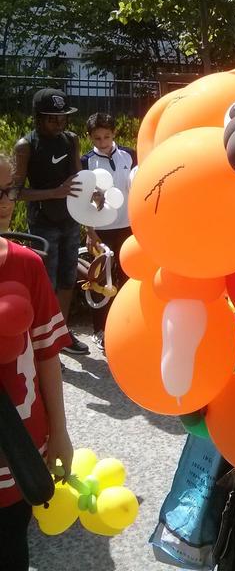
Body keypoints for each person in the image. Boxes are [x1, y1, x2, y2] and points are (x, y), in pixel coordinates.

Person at [0, 153, 73, 571]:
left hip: (20, 445)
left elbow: (46, 356)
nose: (5, 203)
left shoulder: (27, 265)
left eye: (7, 191)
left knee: (11, 543)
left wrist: (59, 433)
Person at [14, 88, 88, 355]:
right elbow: (15, 192)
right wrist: (54, 193)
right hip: (43, 223)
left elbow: (79, 178)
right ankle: (44, 341)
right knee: (47, 283)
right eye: (52, 119)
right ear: (37, 118)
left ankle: (63, 333)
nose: (59, 123)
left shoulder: (71, 140)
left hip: (70, 219)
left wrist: (94, 193)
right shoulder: (26, 146)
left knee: (68, 279)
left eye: (63, 118)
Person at [81, 113, 136, 352]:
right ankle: (100, 329)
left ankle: (127, 325)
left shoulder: (130, 155)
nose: (102, 142)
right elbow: (82, 201)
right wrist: (89, 230)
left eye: (107, 136)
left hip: (127, 227)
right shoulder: (86, 162)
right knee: (100, 282)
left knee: (128, 278)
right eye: (97, 138)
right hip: (101, 231)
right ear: (89, 137)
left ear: (114, 134)